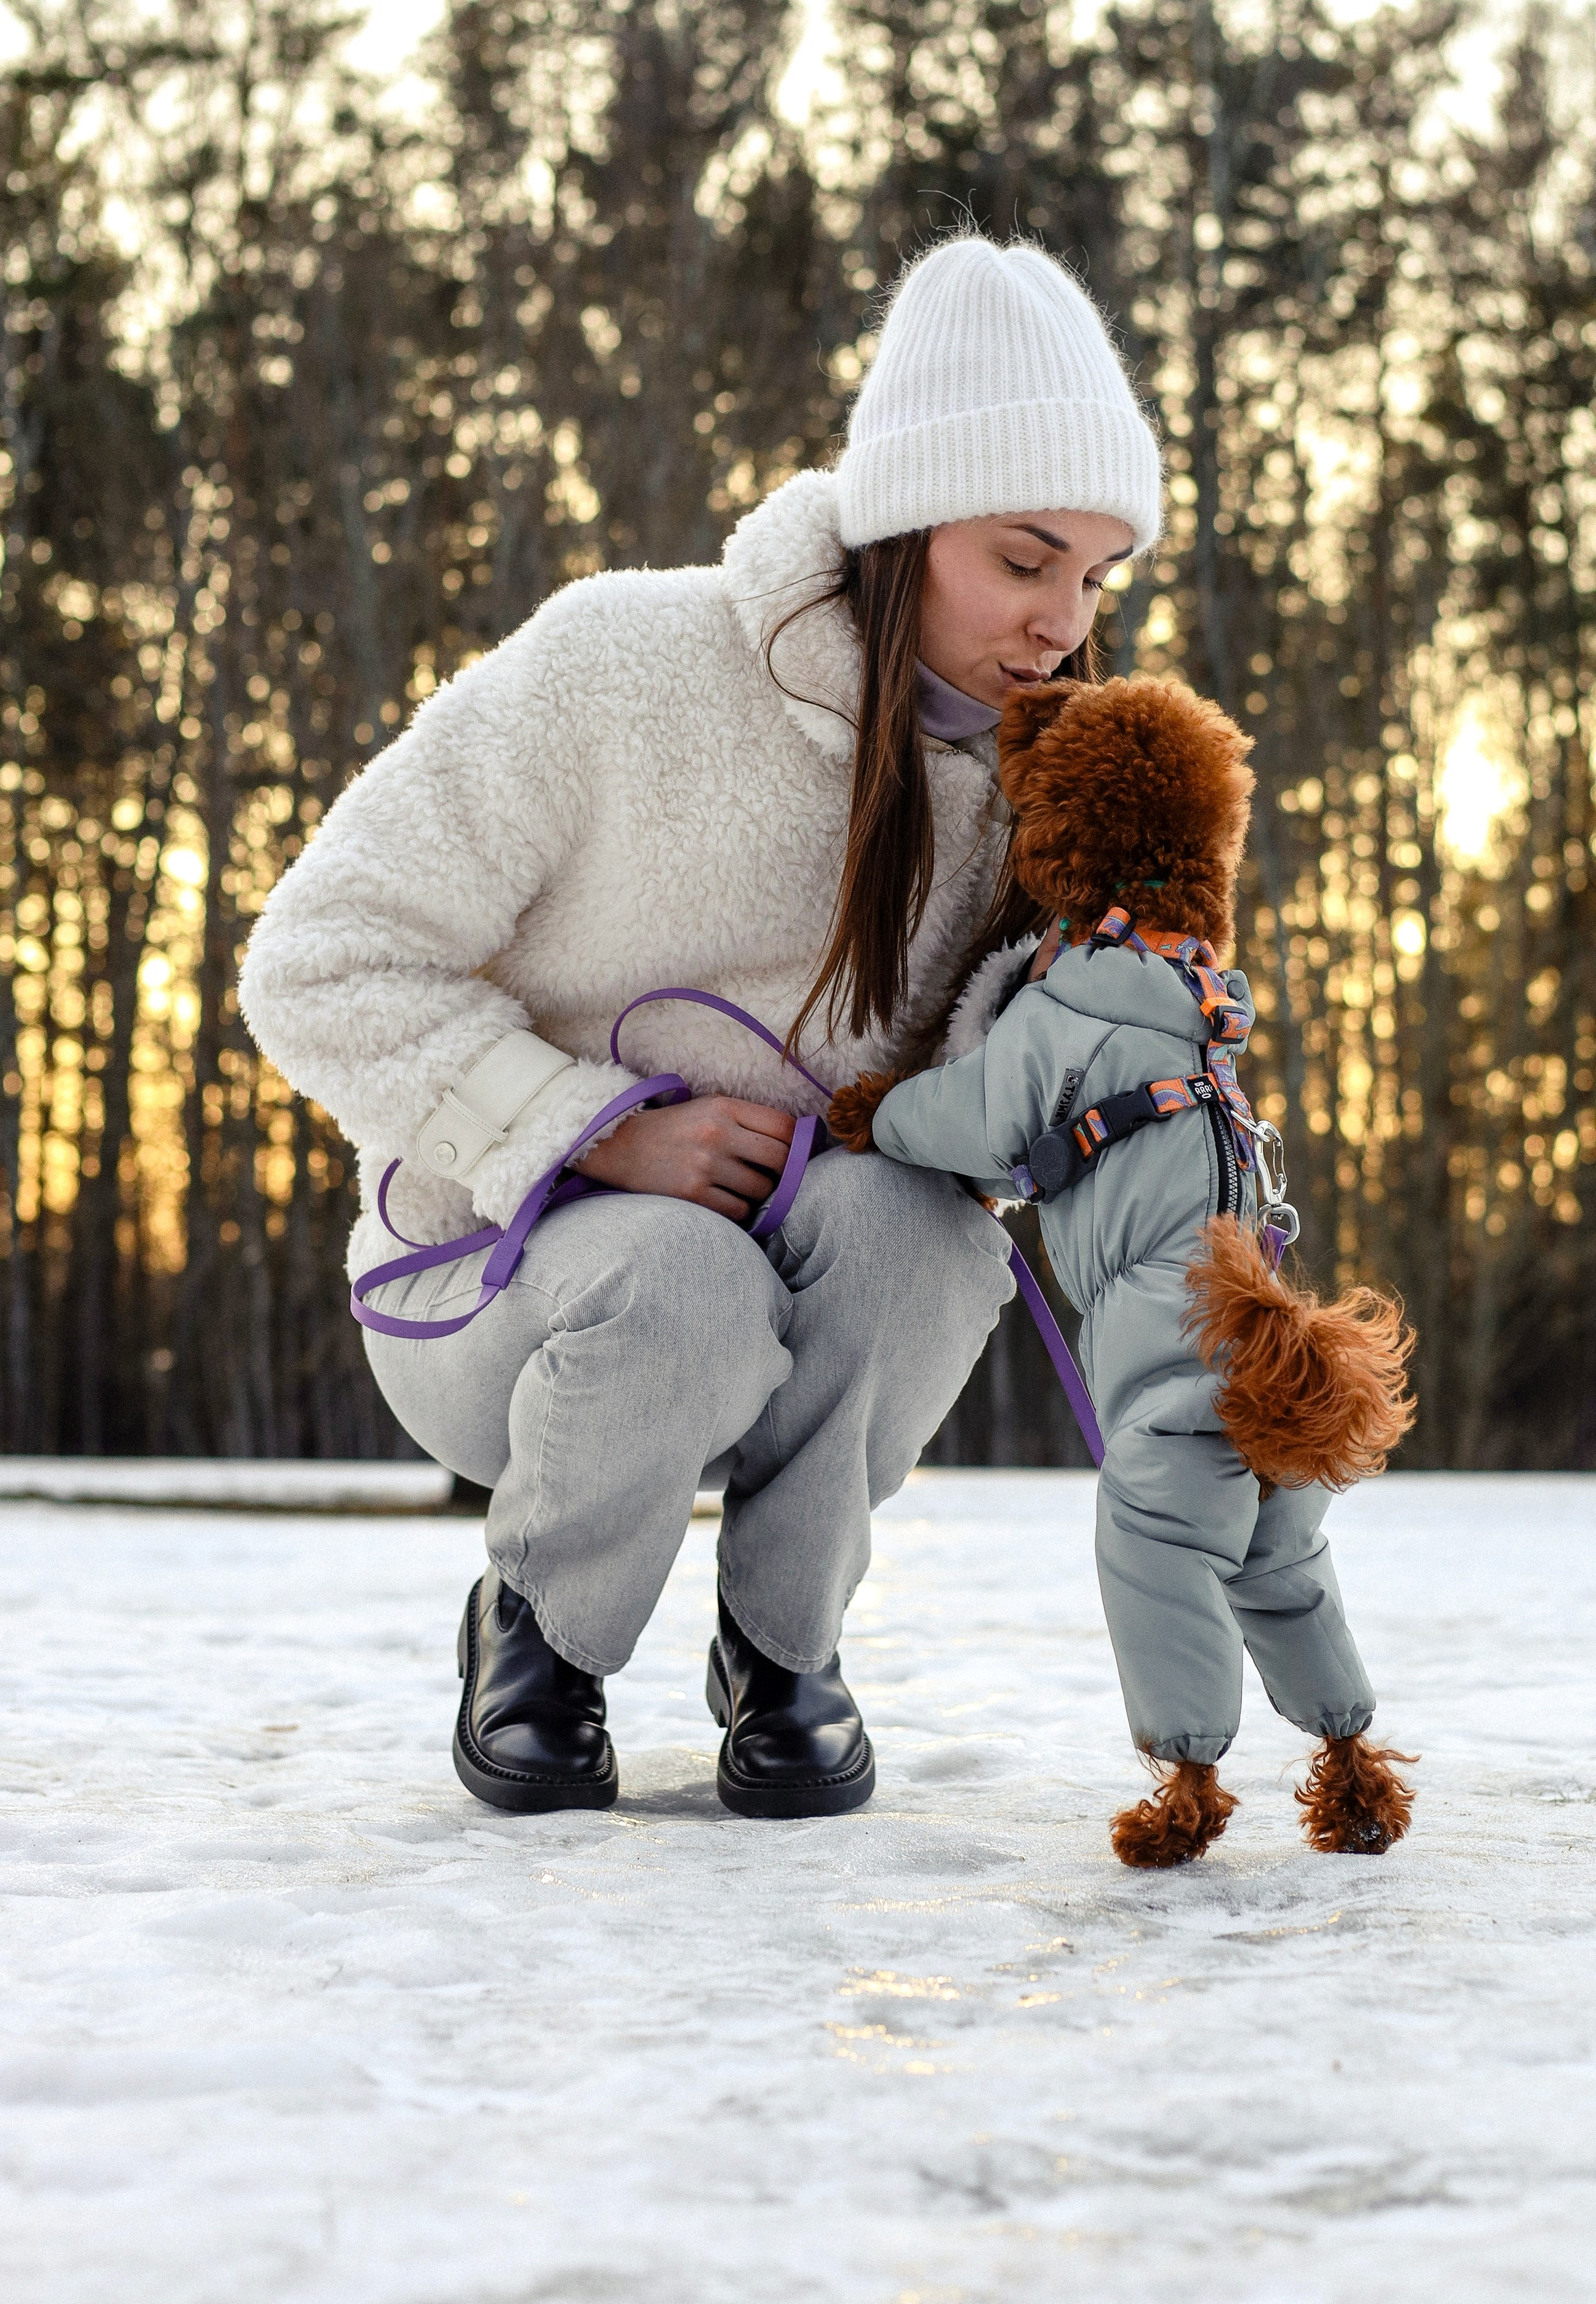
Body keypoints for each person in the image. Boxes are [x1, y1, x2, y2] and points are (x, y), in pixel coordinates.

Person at [240, 232, 1162, 1821]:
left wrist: (1097, 1016)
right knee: (679, 1272)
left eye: (1094, 578)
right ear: (901, 523)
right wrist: (595, 1129)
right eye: (1023, 561)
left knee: (927, 1236)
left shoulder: (1041, 785)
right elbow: (317, 957)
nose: (1060, 626)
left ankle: (783, 1649)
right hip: (494, 1285)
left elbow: (966, 1112)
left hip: (801, 1298)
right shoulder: (622, 665)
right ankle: (539, 1630)